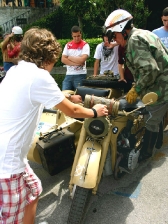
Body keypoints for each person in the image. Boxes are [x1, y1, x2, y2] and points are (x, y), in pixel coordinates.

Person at [0, 27, 108, 223]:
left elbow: (44, 96)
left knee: (34, 190)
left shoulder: (16, 70)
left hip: (11, 154)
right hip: (6, 165)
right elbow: (72, 112)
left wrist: (68, 97)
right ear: (48, 57)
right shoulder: (39, 76)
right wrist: (95, 111)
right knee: (10, 218)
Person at [104, 9, 168, 161]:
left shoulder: (134, 41)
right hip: (162, 83)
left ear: (122, 31)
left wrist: (136, 89)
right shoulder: (144, 33)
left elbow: (150, 70)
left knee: (150, 120)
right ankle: (157, 143)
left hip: (160, 87)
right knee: (156, 116)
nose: (115, 40)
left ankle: (145, 155)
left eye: (114, 35)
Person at [61, 25, 90, 91]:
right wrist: (77, 63)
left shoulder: (85, 45)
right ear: (72, 35)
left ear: (81, 34)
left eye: (78, 36)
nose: (77, 38)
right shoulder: (68, 45)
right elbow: (63, 59)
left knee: (79, 96)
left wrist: (69, 57)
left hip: (80, 74)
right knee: (64, 94)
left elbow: (82, 60)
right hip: (68, 74)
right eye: (75, 36)